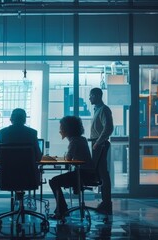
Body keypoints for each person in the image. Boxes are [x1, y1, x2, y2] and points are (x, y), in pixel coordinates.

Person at [48, 116, 92, 219]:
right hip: (87, 173)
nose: (60, 130)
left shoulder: (74, 141)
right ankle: (62, 208)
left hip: (82, 174)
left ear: (68, 128)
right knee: (56, 181)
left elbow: (68, 158)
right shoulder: (81, 139)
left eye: (62, 127)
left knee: (54, 182)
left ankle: (62, 209)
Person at [89, 87, 114, 215]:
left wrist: (98, 142)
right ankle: (105, 202)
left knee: (103, 174)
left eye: (91, 96)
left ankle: (107, 203)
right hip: (97, 143)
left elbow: (109, 128)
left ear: (98, 96)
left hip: (100, 144)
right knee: (100, 173)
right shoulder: (97, 110)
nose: (89, 98)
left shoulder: (104, 109)